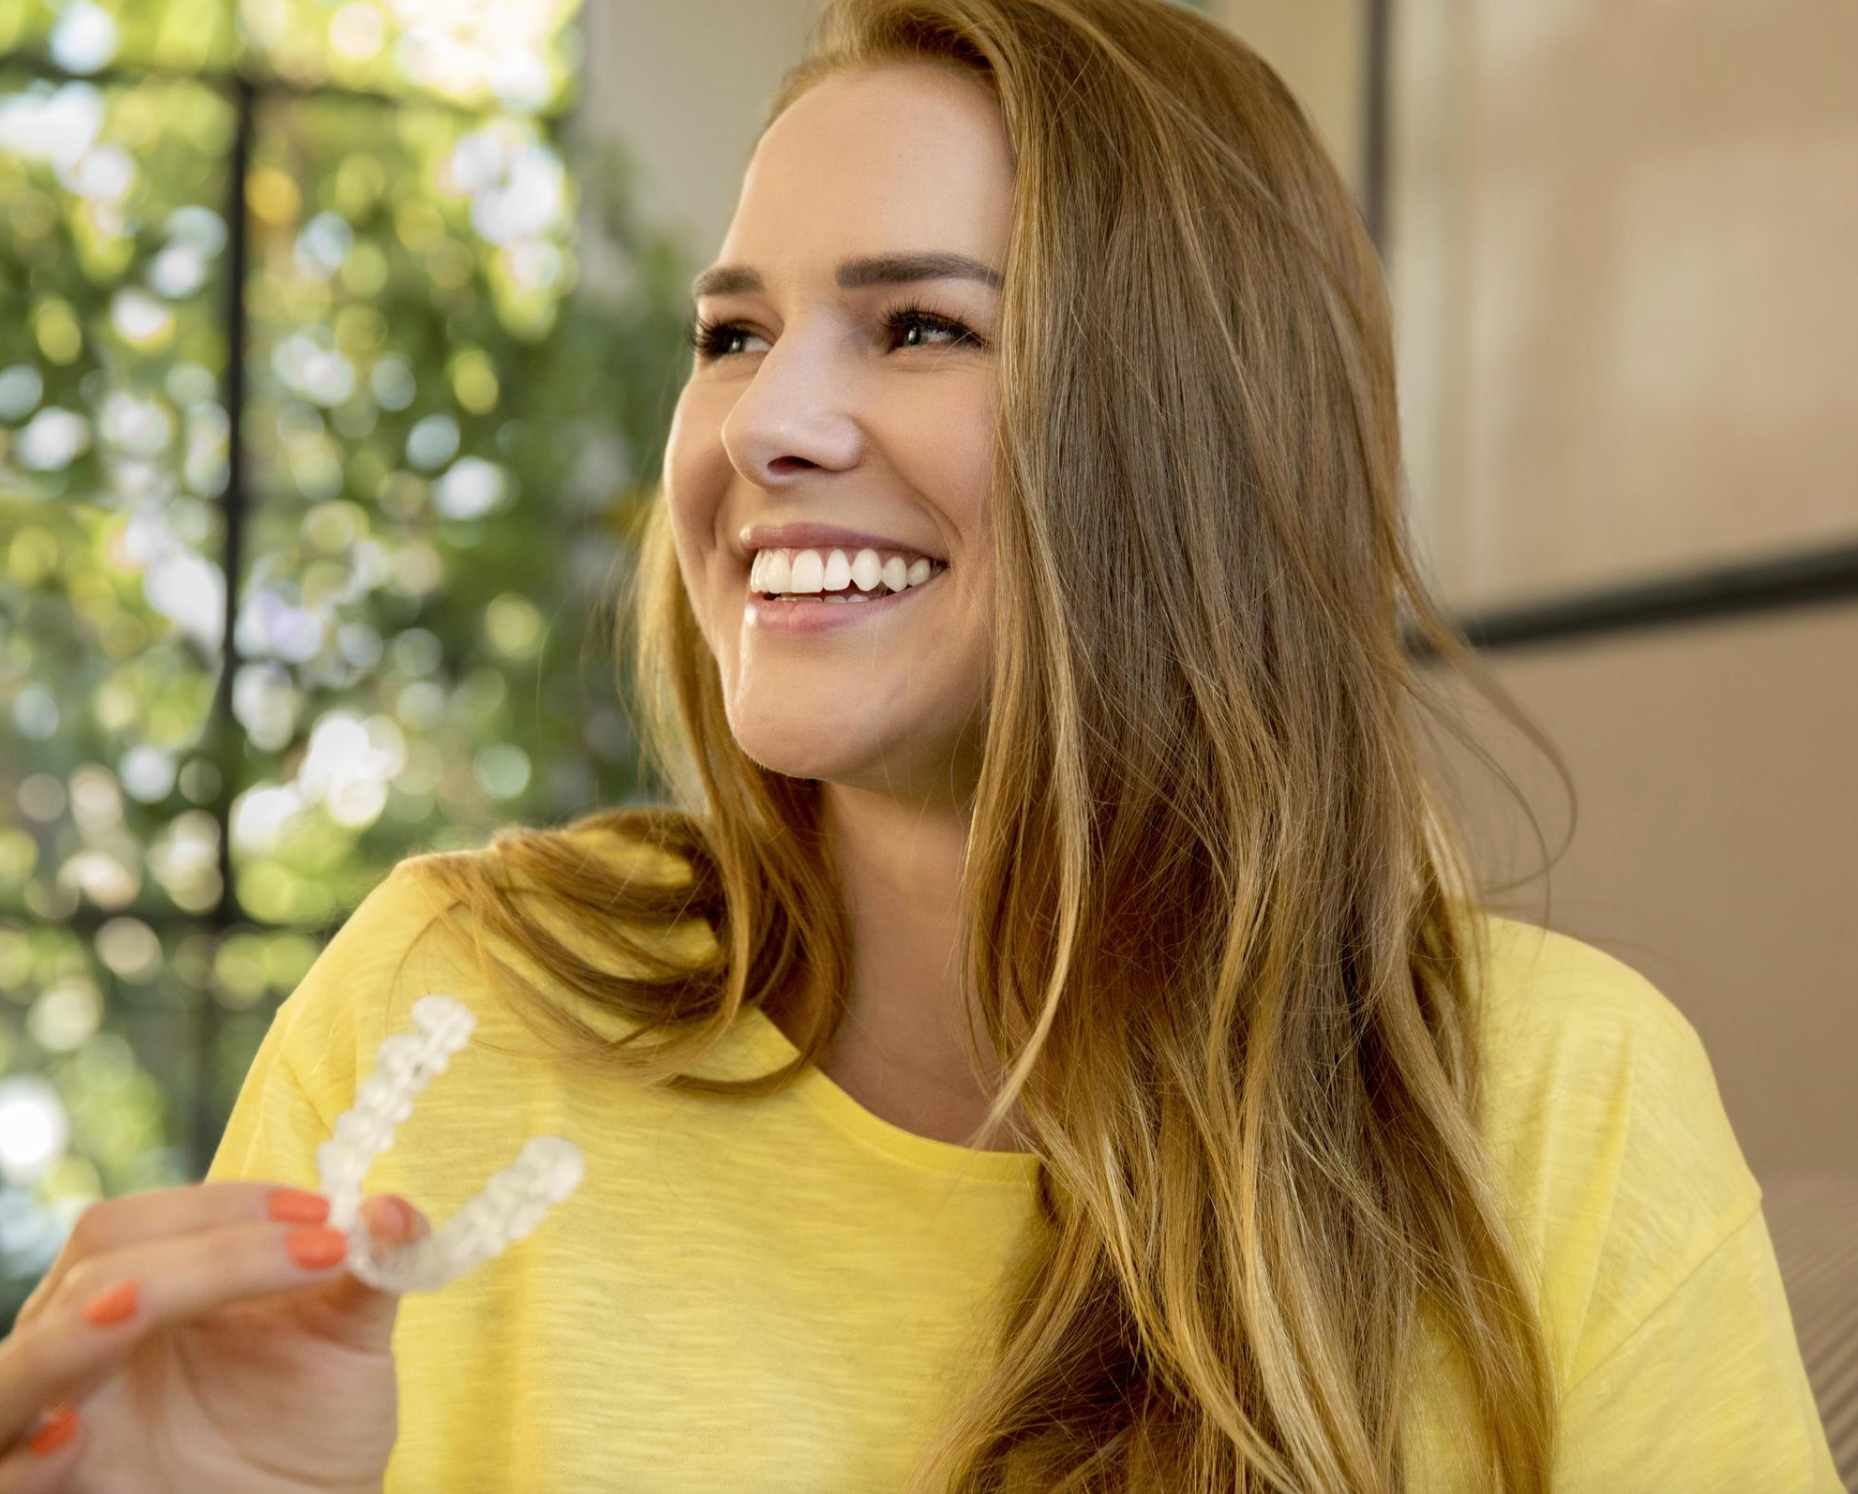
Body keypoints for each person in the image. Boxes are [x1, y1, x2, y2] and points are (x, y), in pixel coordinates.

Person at [1, 0, 1842, 1489]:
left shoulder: (1555, 1106)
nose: (764, 424)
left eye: (916, 326)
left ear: (1191, 430)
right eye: (733, 333)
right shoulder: (460, 998)